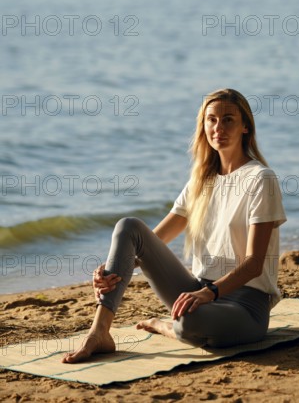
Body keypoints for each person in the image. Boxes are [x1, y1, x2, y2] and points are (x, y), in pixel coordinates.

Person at [62, 88, 287, 363]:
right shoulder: (201, 180)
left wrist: (209, 293)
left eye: (228, 119)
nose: (219, 127)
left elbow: (254, 263)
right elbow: (148, 243)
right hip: (197, 290)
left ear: (245, 127)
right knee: (128, 226)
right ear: (203, 126)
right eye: (211, 120)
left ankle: (165, 326)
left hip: (244, 305)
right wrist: (113, 271)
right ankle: (99, 333)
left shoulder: (261, 179)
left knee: (187, 322)